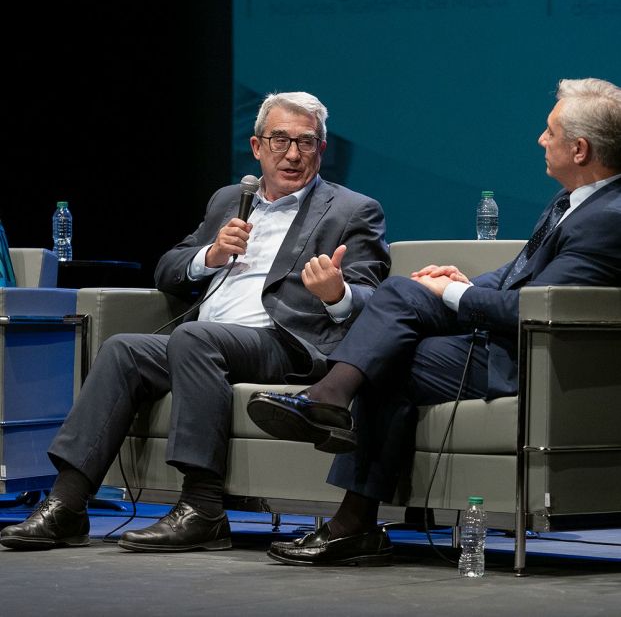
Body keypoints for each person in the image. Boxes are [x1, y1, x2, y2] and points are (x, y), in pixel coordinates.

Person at [248, 77, 621, 566]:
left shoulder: (607, 217)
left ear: (579, 149)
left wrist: (454, 293)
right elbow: (516, 275)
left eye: (549, 132)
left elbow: (537, 308)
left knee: (392, 344)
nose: (540, 140)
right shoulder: (574, 202)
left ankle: (335, 434)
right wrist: (463, 280)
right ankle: (345, 484)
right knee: (401, 301)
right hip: (501, 339)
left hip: (527, 356)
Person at [0, 91, 390, 552]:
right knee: (124, 348)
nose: (292, 154)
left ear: (321, 150)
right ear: (257, 146)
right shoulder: (230, 200)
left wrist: (336, 293)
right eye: (279, 139)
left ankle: (203, 508)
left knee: (195, 338)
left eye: (306, 143)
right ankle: (67, 504)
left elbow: (372, 296)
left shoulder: (352, 209)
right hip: (206, 342)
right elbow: (168, 268)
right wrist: (211, 255)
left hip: (287, 342)